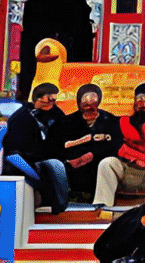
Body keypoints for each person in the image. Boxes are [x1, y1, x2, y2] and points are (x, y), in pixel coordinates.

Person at [51, 84, 127, 214]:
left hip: (99, 169)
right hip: (73, 169)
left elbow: (117, 145)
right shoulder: (65, 122)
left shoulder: (110, 121)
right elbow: (56, 146)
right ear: (79, 100)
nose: (89, 103)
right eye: (85, 99)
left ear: (99, 100)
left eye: (93, 99)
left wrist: (94, 153)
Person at [5, 82, 72, 215]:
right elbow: (12, 144)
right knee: (52, 166)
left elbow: (63, 137)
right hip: (24, 159)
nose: (51, 103)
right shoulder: (22, 115)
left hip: (49, 157)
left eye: (54, 99)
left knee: (56, 165)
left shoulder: (57, 115)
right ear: (37, 98)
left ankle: (59, 206)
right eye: (48, 99)